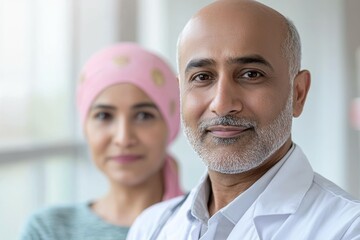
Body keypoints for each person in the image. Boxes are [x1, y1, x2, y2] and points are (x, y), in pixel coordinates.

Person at [127, 0, 360, 239]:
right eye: (202, 77)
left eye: (251, 74)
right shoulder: (151, 227)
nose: (222, 104)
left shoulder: (348, 229)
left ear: (298, 93)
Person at [19, 42, 183, 240]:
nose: (123, 138)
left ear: (172, 123)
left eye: (143, 116)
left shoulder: (207, 224)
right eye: (104, 116)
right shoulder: (48, 231)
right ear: (85, 127)